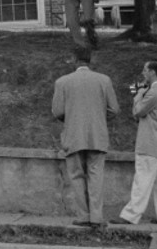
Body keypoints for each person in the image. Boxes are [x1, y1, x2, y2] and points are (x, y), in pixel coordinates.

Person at [51, 47, 120, 228]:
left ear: (74, 59)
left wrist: (71, 118)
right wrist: (99, 118)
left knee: (76, 176)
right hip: (97, 135)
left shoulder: (62, 82)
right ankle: (97, 217)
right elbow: (114, 109)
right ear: (90, 60)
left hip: (73, 135)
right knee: (96, 176)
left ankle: (83, 216)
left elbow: (57, 111)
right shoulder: (104, 80)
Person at [112, 60, 157, 226]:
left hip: (149, 144)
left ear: (153, 72)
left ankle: (130, 216)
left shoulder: (153, 93)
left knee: (142, 181)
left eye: (145, 70)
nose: (143, 73)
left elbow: (138, 111)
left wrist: (138, 95)